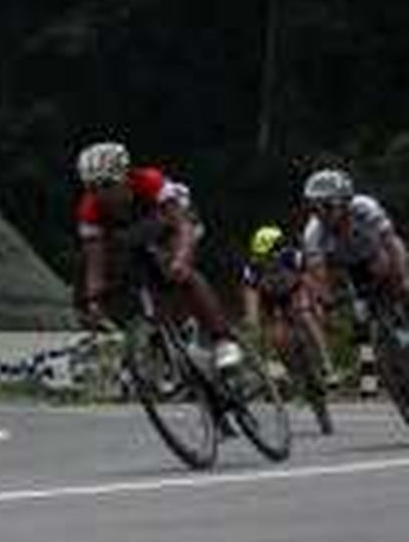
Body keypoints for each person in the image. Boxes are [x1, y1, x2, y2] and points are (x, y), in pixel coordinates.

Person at [74, 141, 242, 368]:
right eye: (92, 187)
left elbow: (183, 227)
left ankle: (223, 339)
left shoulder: (149, 181)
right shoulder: (89, 208)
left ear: (125, 177)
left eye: (107, 184)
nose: (101, 193)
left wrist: (181, 260)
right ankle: (166, 337)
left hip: (172, 223)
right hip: (136, 236)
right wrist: (94, 300)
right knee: (126, 273)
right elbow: (95, 262)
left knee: (177, 272)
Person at [301, 168, 409, 319]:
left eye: (327, 206)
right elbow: (317, 270)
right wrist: (326, 298)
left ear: (345, 201)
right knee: (358, 315)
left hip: (376, 253)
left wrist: (402, 276)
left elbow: (391, 241)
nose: (321, 214)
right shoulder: (313, 231)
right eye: (314, 208)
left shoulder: (364, 207)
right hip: (346, 266)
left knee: (391, 274)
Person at [241, 224, 338, 386]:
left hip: (293, 290)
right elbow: (250, 295)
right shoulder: (253, 268)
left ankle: (327, 365)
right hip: (269, 297)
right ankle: (277, 365)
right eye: (261, 257)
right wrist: (253, 321)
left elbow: (308, 281)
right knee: (274, 331)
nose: (266, 261)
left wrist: (323, 302)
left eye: (270, 256)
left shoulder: (292, 256)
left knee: (305, 316)